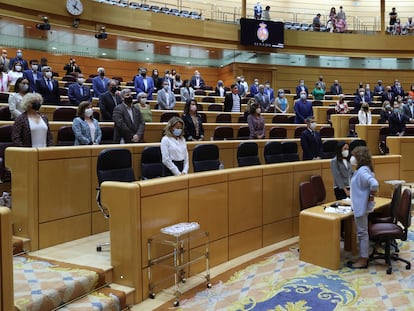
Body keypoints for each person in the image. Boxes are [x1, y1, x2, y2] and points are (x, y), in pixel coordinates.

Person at [347, 146, 378, 269]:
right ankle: (363, 257)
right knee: (362, 232)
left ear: (360, 157)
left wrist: (371, 196)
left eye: (354, 155)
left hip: (361, 207)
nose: (352, 158)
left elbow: (374, 184)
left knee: (362, 233)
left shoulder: (362, 171)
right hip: (360, 205)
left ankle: (363, 260)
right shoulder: (362, 169)